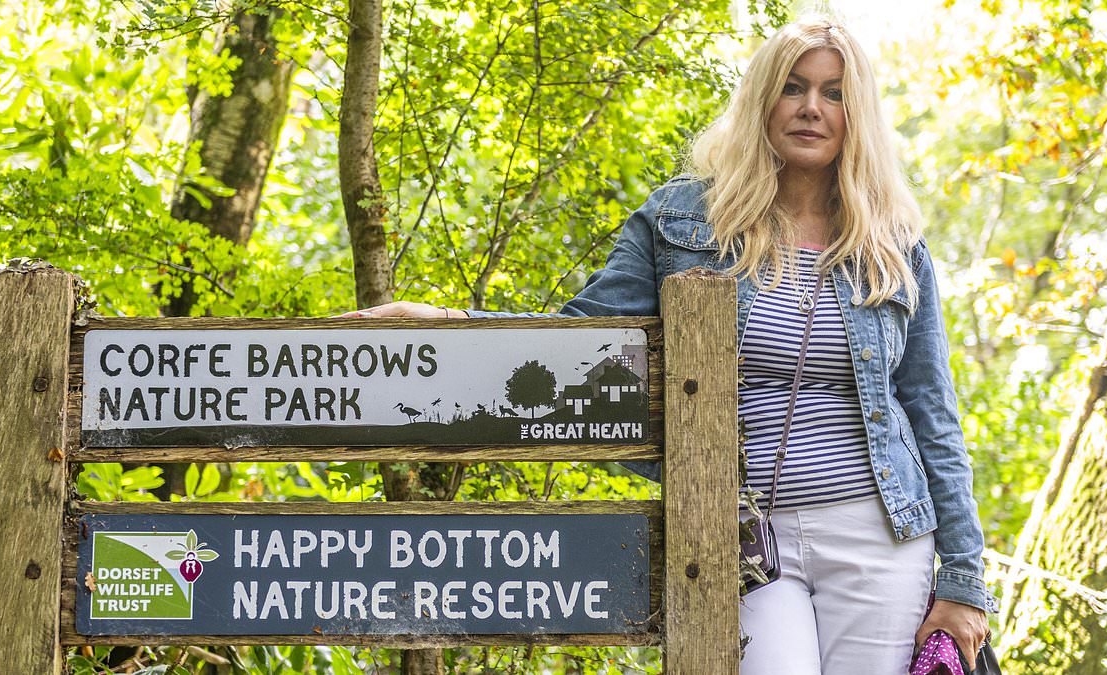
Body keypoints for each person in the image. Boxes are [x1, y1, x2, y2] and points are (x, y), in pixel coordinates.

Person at [343, 15, 992, 675]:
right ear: (762, 99)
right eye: (793, 87)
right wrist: (449, 324)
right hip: (738, 535)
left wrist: (964, 579)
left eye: (833, 94)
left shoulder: (892, 241)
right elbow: (580, 343)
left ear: (858, 115)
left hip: (877, 533)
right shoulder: (684, 220)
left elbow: (931, 407)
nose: (810, 108)